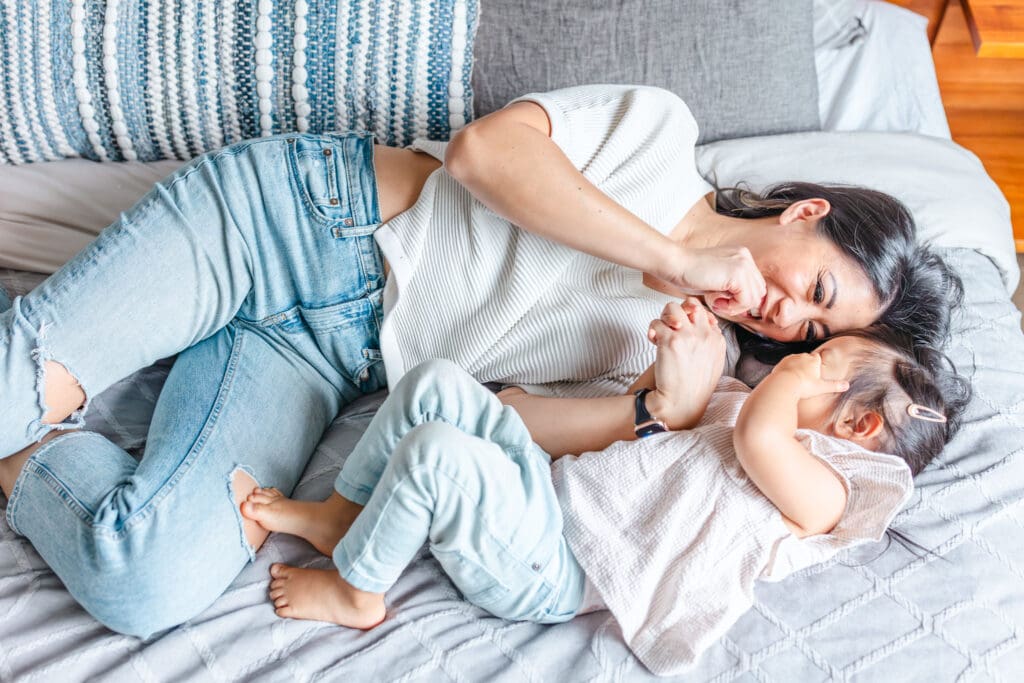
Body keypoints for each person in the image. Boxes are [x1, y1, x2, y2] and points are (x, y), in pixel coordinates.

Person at [0, 85, 960, 637]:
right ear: (804, 216)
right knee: (21, 381)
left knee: (147, 579)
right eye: (814, 290)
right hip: (290, 223)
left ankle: (28, 457)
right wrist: (674, 257)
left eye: (805, 336)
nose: (783, 315)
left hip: (318, 355)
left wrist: (650, 410)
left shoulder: (673, 351)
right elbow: (483, 155)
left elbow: (492, 409)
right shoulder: (660, 135)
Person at [239, 302, 969, 675]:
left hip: (556, 567)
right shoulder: (742, 410)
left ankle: (359, 590)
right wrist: (674, 355)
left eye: (822, 362)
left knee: (437, 455)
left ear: (862, 423)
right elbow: (652, 424)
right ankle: (345, 516)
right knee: (436, 384)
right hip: (549, 494)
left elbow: (761, 442)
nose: (802, 357)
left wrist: (788, 380)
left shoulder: (829, 498)